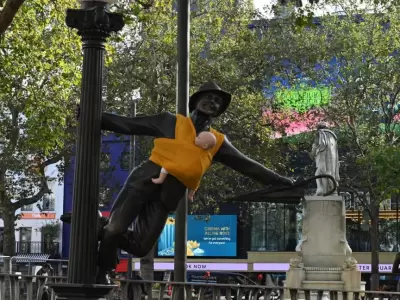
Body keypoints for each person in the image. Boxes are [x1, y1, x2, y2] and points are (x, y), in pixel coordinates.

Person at [67, 80, 294, 284]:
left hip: (168, 196)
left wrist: (281, 181)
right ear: (195, 101)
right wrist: (92, 115)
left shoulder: (217, 142)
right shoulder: (170, 122)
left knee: (140, 246)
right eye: (208, 98)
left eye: (217, 102)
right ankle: (104, 270)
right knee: (116, 229)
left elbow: (248, 165)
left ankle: (98, 225)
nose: (212, 103)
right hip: (144, 180)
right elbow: (129, 124)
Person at [151, 131, 217, 201]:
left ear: (204, 145)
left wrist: (161, 142)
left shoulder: (191, 148)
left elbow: (180, 146)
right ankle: (191, 195)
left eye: (198, 138)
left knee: (166, 166)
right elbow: (205, 165)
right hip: (194, 176)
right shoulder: (208, 156)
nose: (195, 137)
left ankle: (160, 179)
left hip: (182, 170)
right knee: (195, 184)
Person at [311, 122, 340, 195]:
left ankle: (321, 189)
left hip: (322, 157)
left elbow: (317, 146)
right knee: (329, 173)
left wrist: (312, 154)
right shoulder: (333, 136)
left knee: (319, 172)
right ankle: (329, 189)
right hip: (332, 160)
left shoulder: (320, 133)